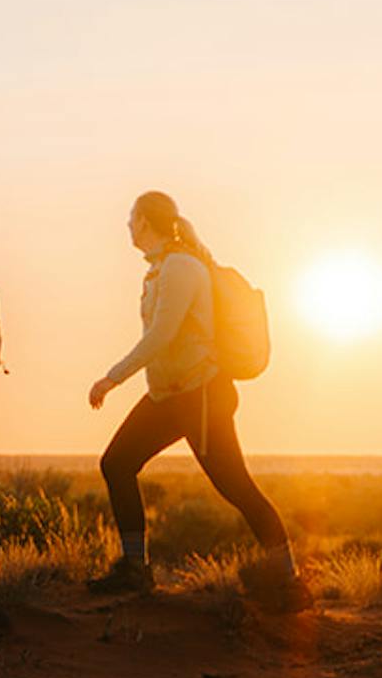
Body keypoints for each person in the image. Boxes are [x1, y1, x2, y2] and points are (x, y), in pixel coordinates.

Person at [85, 191, 300, 607]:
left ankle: (289, 579)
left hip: (202, 396)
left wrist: (111, 379)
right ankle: (135, 570)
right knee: (117, 463)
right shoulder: (162, 269)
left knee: (235, 486)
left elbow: (161, 335)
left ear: (147, 221)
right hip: (170, 395)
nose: (128, 225)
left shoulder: (181, 267)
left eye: (132, 217)